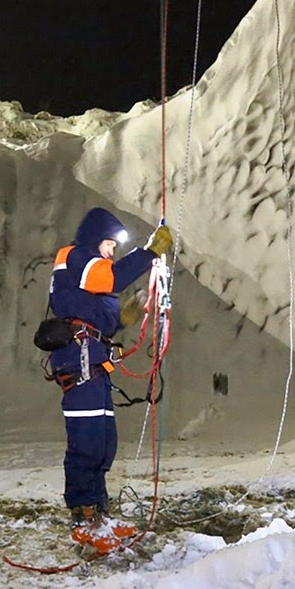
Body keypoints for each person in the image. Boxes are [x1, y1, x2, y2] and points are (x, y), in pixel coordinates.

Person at [46, 207, 174, 552]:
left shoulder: (92, 277)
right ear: (94, 238)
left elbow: (104, 314)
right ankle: (83, 517)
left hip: (95, 361)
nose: (111, 251)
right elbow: (112, 278)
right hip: (79, 360)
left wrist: (124, 316)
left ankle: (99, 513)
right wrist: (149, 253)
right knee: (86, 441)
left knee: (104, 442)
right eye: (109, 244)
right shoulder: (74, 257)